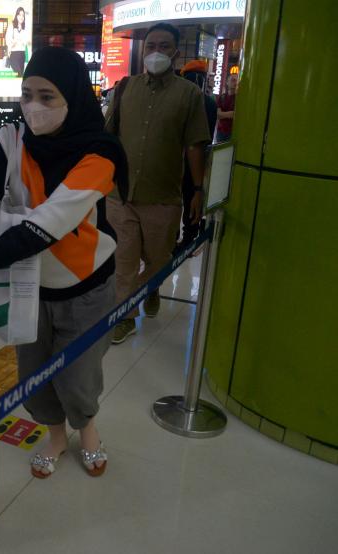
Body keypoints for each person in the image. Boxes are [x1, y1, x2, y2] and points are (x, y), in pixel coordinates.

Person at [0, 47, 128, 479]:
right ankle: (55, 435)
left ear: (73, 98)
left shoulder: (100, 153)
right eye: (27, 94)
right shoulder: (11, 140)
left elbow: (48, 224)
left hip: (86, 285)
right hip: (29, 283)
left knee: (79, 376)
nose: (33, 106)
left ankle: (87, 428)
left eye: (47, 97)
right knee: (35, 375)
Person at [104, 23, 210, 344]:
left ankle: (151, 289)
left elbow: (195, 145)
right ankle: (125, 317)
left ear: (175, 53)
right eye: (151, 46)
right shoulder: (124, 89)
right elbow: (108, 137)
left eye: (164, 46)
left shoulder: (190, 95)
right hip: (120, 195)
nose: (156, 52)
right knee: (123, 263)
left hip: (163, 197)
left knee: (159, 259)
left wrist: (198, 190)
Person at [178, 61, 218, 250]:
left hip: (183, 158)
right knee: (192, 196)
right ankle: (189, 235)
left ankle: (182, 237)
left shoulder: (183, 100)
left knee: (183, 196)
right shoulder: (209, 102)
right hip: (200, 159)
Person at [6, 7, 30, 77]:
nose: (21, 17)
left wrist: (23, 41)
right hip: (14, 54)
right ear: (16, 15)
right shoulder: (12, 26)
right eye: (19, 15)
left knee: (21, 76)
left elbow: (27, 41)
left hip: (22, 54)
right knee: (18, 74)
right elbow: (8, 39)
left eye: (23, 15)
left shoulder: (25, 28)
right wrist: (14, 41)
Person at [216, 73, 238, 142]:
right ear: (227, 82)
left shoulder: (239, 98)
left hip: (232, 132)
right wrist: (231, 114)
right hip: (220, 131)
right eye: (233, 80)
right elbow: (218, 115)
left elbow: (235, 114)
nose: (235, 83)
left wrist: (223, 114)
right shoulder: (222, 97)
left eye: (237, 80)